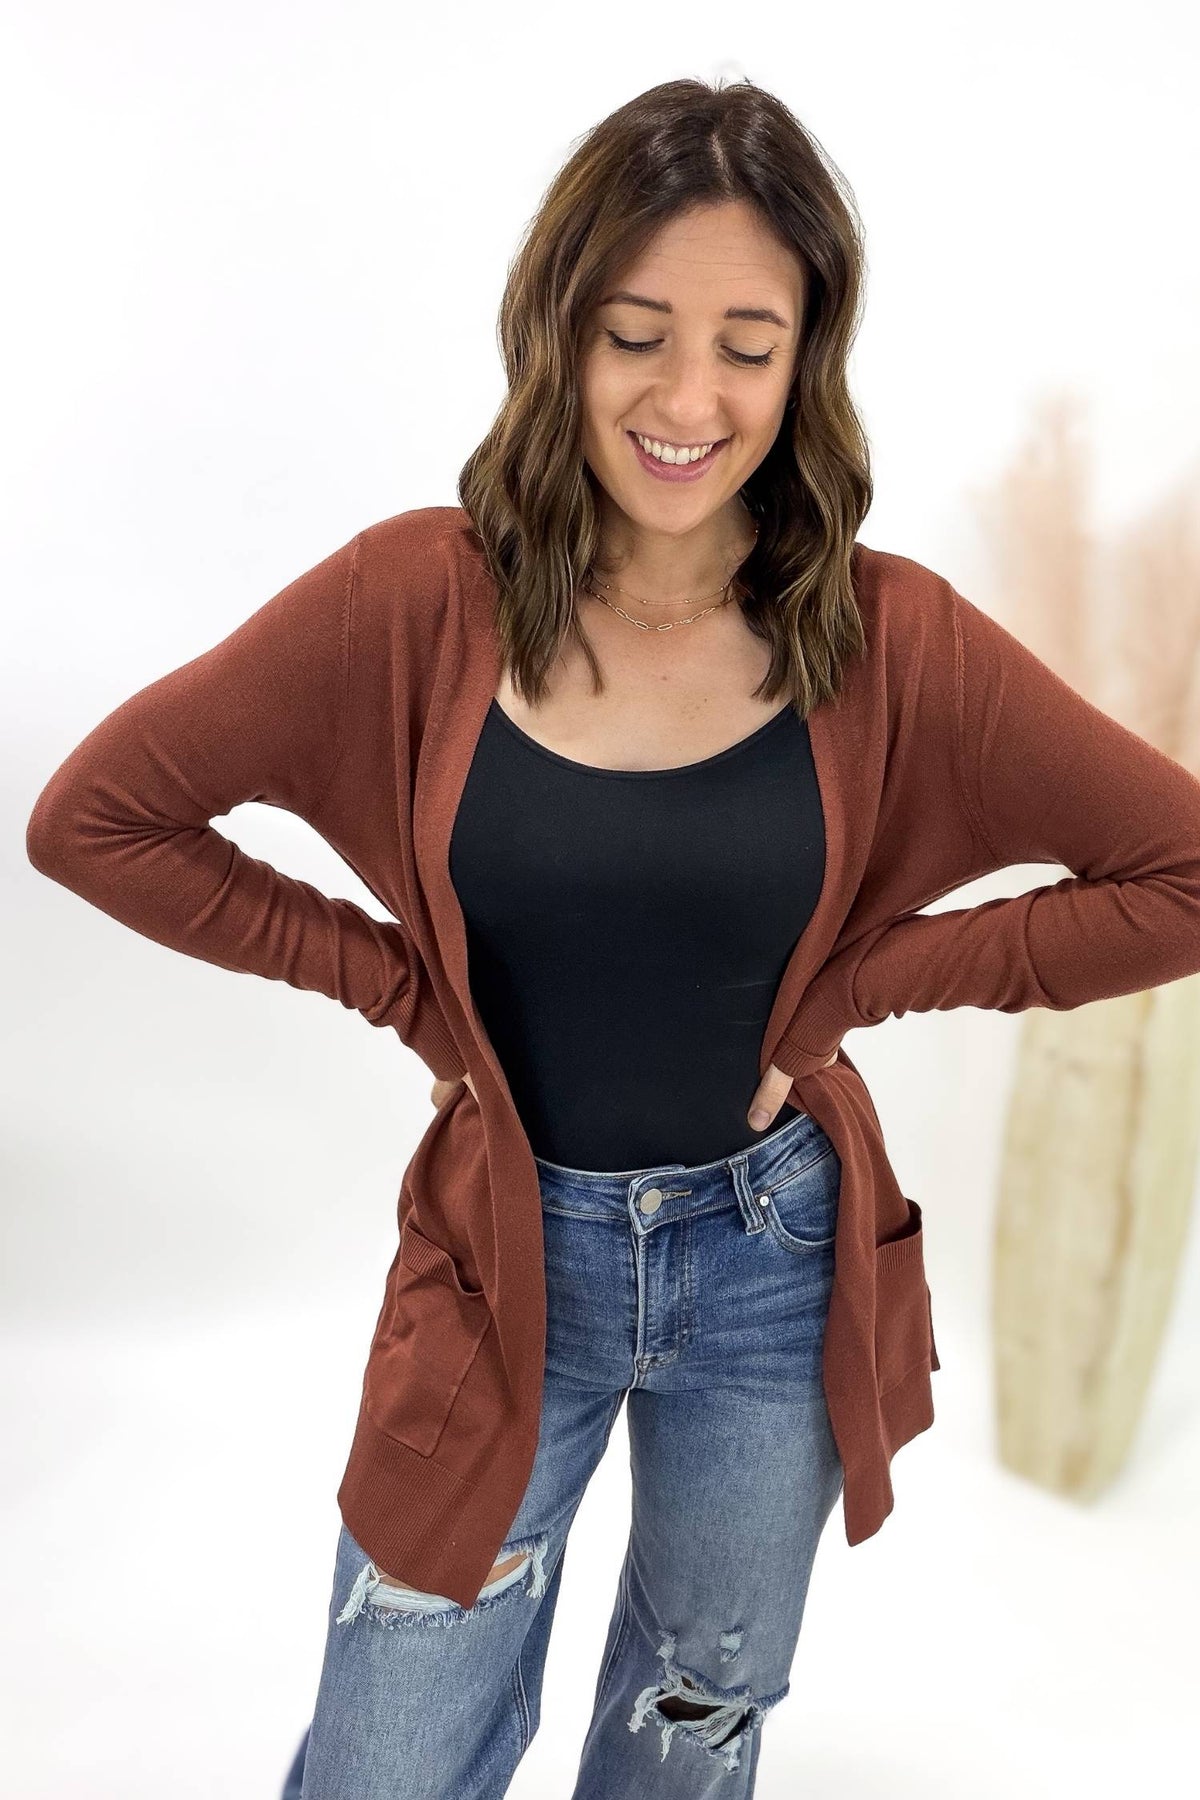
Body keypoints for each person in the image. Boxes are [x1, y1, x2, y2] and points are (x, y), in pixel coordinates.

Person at [29, 75, 1200, 1800]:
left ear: (808, 359)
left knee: (691, 1731)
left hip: (772, 1257)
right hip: (512, 1260)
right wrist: (392, 984)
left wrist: (871, 985)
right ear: (558, 331)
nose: (687, 396)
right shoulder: (413, 600)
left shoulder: (897, 642)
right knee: (387, 1749)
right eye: (636, 331)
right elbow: (96, 820)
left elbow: (1175, 867)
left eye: (748, 340)